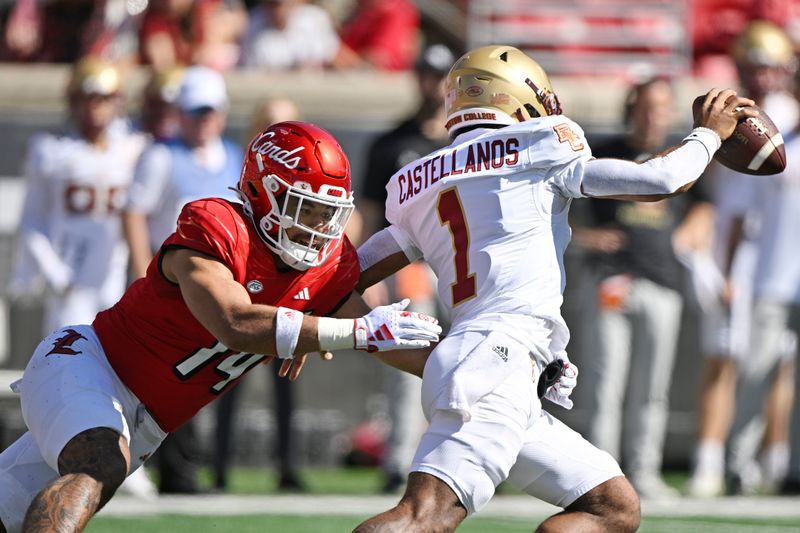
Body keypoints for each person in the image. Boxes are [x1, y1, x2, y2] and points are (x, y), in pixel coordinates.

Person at [353, 45, 754, 532]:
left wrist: (314, 321)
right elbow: (660, 180)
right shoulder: (539, 143)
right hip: (497, 359)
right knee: (423, 517)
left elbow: (354, 270)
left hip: (480, 356)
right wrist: (708, 135)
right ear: (515, 97)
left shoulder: (417, 179)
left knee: (613, 508)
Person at [0, 120, 441, 532]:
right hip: (91, 369)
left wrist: (475, 373)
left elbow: (395, 346)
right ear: (260, 190)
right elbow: (235, 322)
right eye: (304, 209)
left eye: (327, 213)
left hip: (144, 423)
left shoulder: (327, 269)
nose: (318, 227)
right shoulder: (216, 224)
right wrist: (342, 332)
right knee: (98, 465)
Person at [571, 77, 712, 499]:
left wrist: (691, 230)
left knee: (652, 387)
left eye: (662, 107)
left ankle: (644, 471)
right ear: (632, 108)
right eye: (647, 106)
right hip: (612, 278)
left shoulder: (682, 158)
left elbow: (705, 203)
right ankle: (600, 477)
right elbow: (557, 209)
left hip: (662, 280)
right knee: (605, 382)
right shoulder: (604, 151)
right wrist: (588, 239)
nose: (654, 115)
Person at [688, 20, 799, 497]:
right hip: (755, 261)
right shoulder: (749, 117)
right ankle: (723, 461)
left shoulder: (788, 116)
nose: (762, 77)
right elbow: (731, 206)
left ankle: (776, 462)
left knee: (776, 368)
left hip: (772, 263)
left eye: (769, 67)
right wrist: (728, 265)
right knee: (738, 363)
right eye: (754, 66)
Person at [122, 65, 242, 494]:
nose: (204, 120)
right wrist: (141, 269)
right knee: (163, 376)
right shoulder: (161, 155)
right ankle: (170, 468)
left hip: (211, 287)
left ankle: (187, 467)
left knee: (199, 376)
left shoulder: (232, 155)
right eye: (196, 112)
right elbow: (136, 213)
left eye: (210, 111)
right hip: (168, 282)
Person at [359, 43, 455, 493]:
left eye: (440, 75)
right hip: (411, 263)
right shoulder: (393, 143)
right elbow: (371, 211)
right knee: (407, 357)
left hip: (460, 263)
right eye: (425, 73)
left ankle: (471, 455)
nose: (432, 84)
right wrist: (368, 274)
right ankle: (399, 459)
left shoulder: (469, 143)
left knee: (479, 356)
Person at [8, 56, 147, 337]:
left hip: (115, 272)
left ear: (117, 101)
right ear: (73, 100)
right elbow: (32, 217)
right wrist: (55, 273)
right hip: (71, 269)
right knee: (67, 353)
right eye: (87, 98)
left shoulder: (134, 147)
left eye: (104, 98)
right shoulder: (50, 149)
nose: (96, 107)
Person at [211, 96, 307, 492]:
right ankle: (218, 467)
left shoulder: (307, 181)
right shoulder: (240, 174)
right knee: (226, 381)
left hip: (289, 291)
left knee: (287, 382)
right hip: (245, 290)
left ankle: (287, 465)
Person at [238, 0, 340, 70]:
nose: (275, 9)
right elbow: (252, 71)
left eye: (278, 4)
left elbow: (332, 58)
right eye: (270, 3)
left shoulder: (315, 18)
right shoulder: (253, 22)